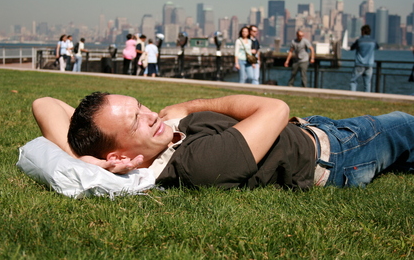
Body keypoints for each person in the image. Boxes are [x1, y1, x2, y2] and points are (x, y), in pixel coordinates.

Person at [32, 93, 414, 190]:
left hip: (313, 127)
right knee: (404, 124)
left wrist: (83, 158)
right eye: (136, 120)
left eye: (141, 106)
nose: (150, 114)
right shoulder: (199, 162)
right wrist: (191, 105)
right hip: (336, 152)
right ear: (121, 152)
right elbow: (276, 108)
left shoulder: (152, 141)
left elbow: (44, 103)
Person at [349, 25, 380, 92]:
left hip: (359, 64)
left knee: (353, 81)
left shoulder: (359, 41)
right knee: (367, 83)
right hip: (369, 65)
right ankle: (367, 96)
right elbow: (377, 47)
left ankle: (352, 95)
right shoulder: (373, 41)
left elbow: (352, 48)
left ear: (362, 32)